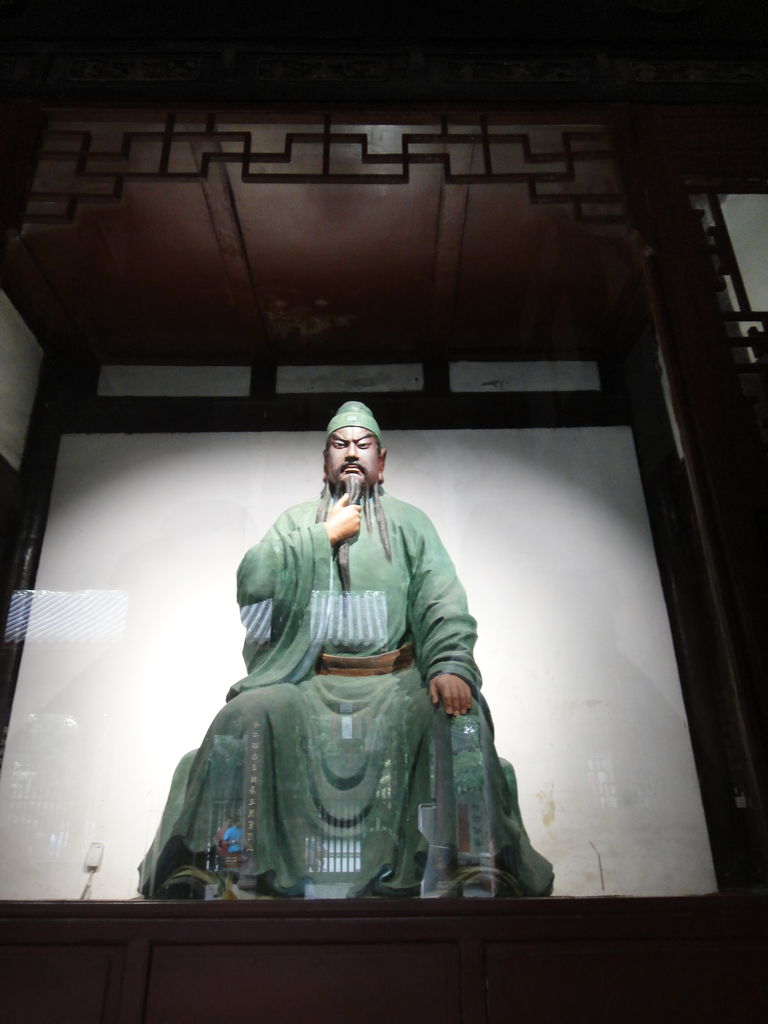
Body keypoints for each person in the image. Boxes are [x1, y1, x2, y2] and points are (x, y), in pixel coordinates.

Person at [140, 401, 553, 899]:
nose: (352, 454)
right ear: (325, 461)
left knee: (457, 719)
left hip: (396, 684)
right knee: (243, 716)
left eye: (363, 445)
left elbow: (443, 603)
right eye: (340, 445)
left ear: (383, 459)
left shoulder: (410, 524)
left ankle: (464, 864)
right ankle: (219, 865)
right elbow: (253, 584)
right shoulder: (296, 521)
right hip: (305, 684)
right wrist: (322, 537)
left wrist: (448, 665)